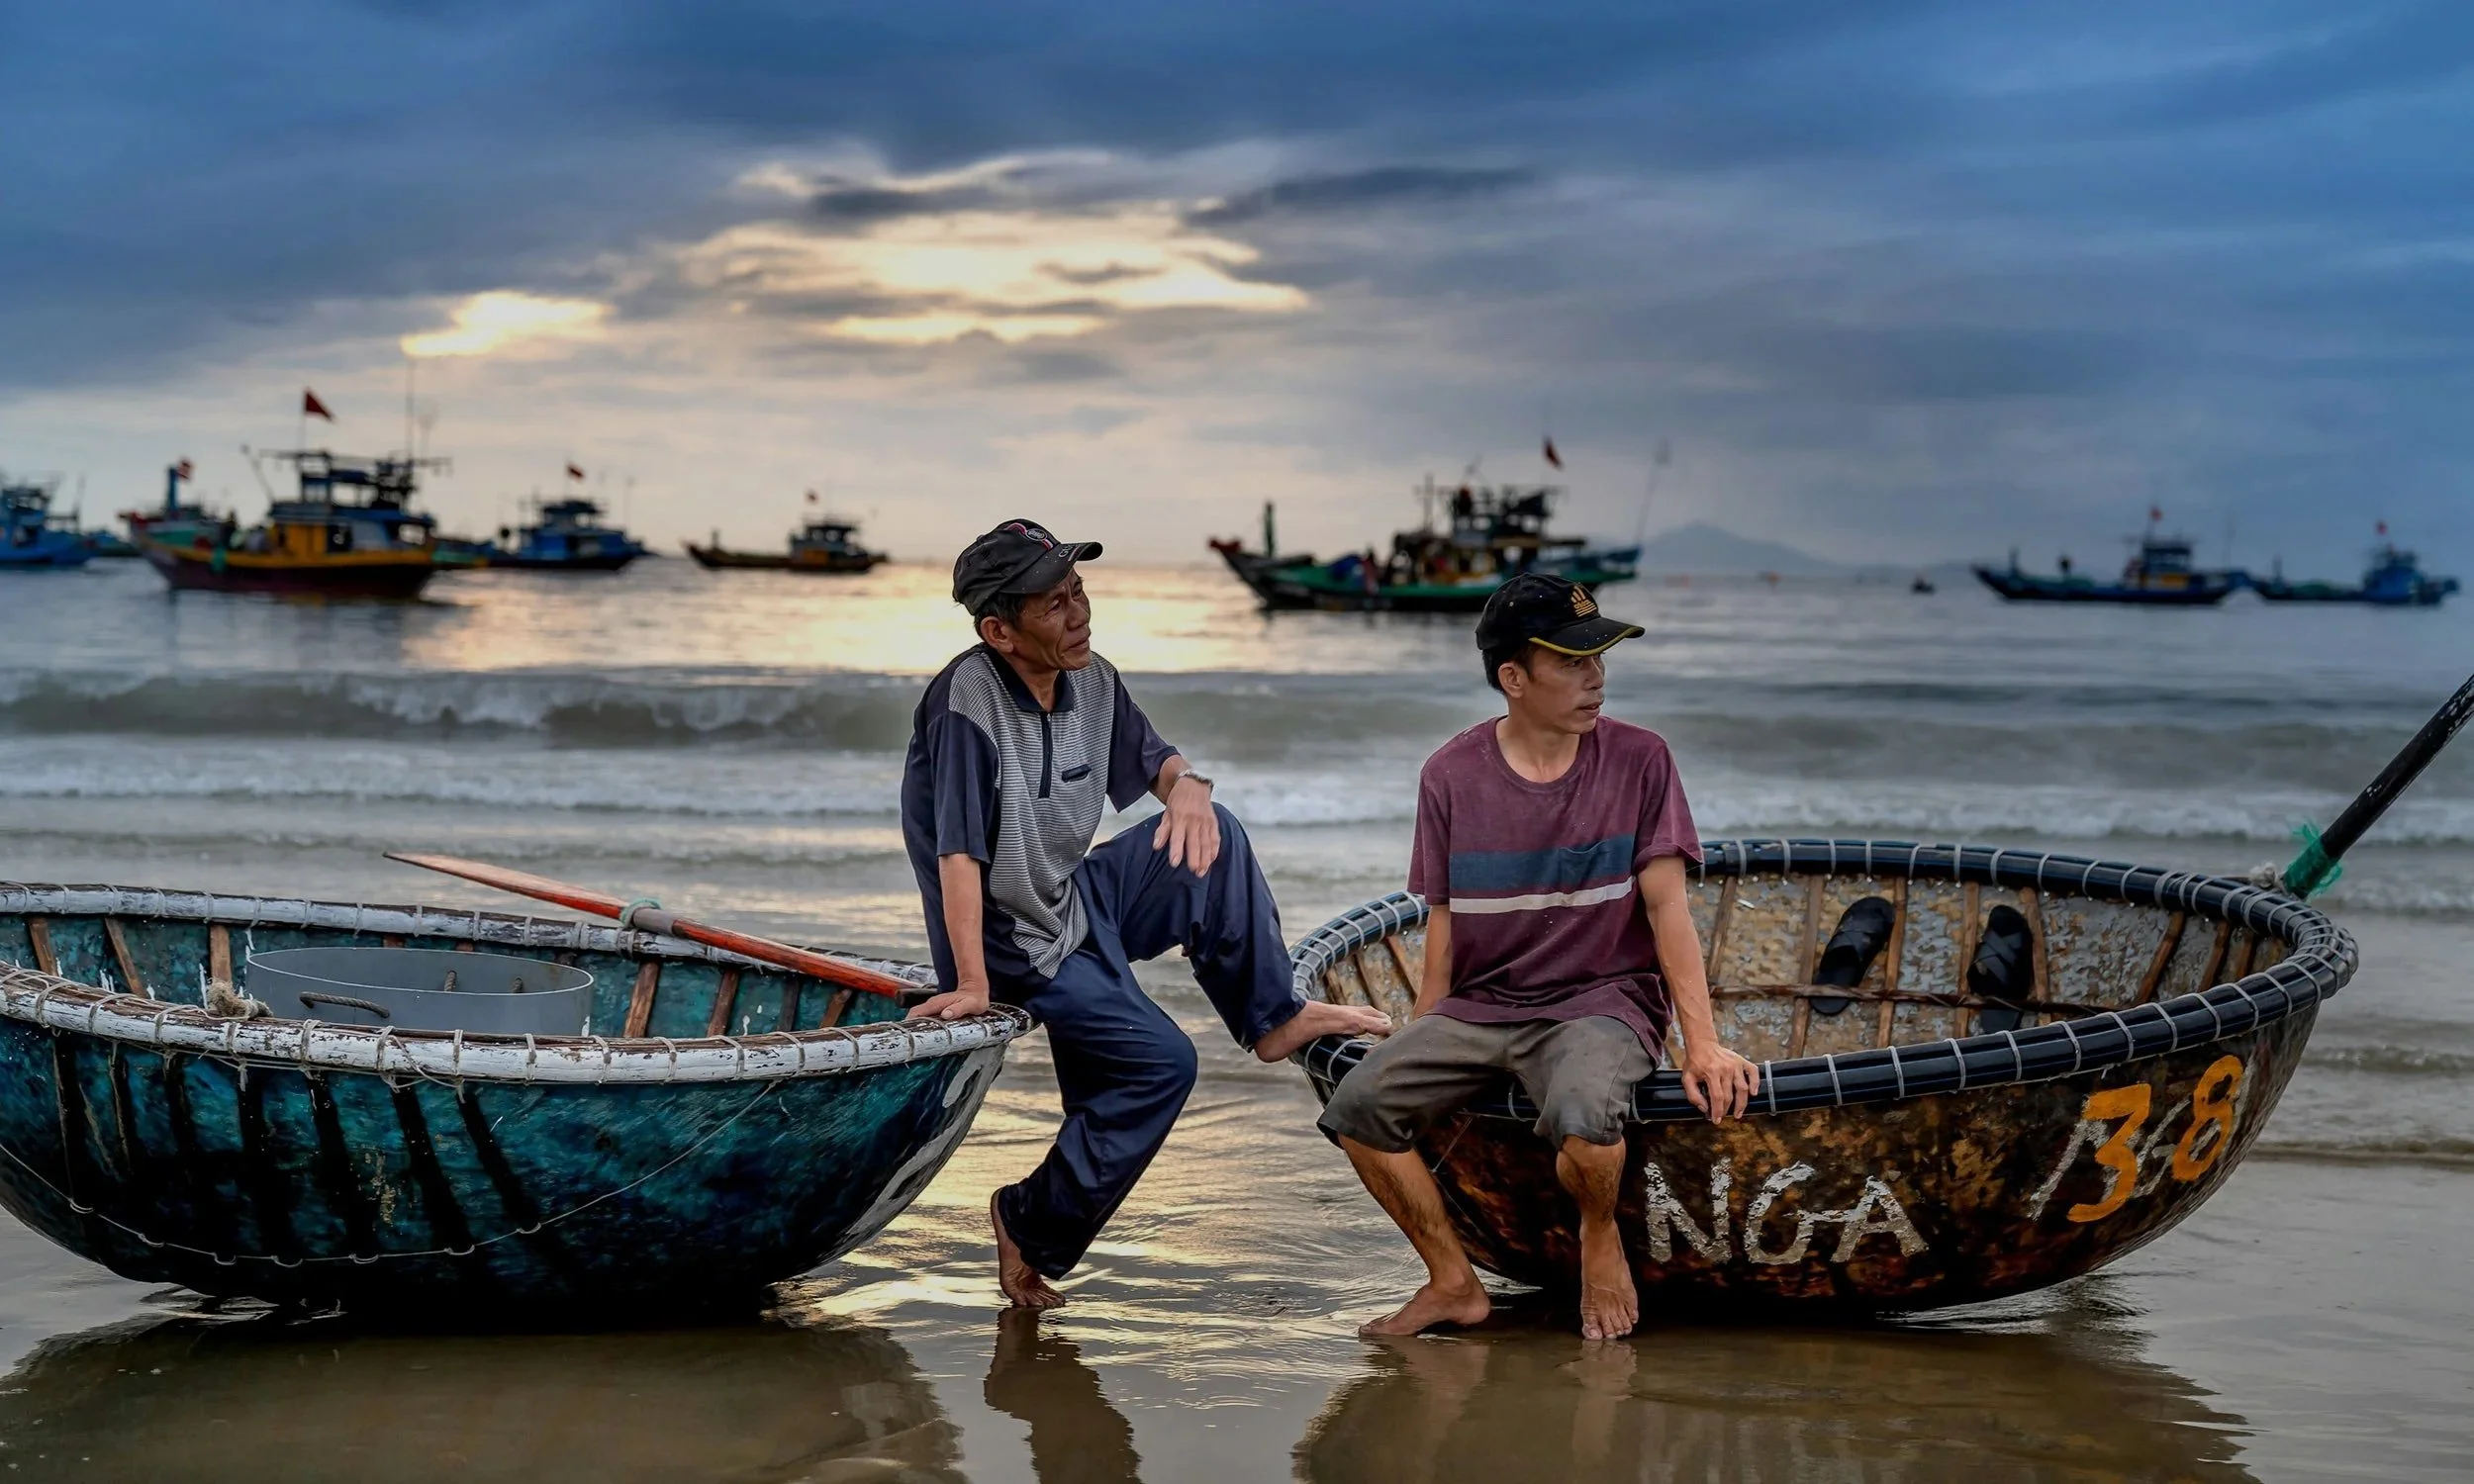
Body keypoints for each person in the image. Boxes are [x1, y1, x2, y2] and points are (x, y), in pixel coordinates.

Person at [904, 518, 1390, 1309]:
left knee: (1215, 836)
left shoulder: (1093, 680)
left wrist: (1190, 788)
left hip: (1078, 897)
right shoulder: (965, 701)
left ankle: (1272, 1015)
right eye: (1054, 603)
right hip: (1013, 939)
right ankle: (1026, 1220)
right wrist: (970, 981)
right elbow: (957, 856)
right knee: (1161, 1063)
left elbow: (1156, 763)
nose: (1078, 613)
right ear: (999, 630)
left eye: (1079, 591)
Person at [1318, 573, 1761, 1341]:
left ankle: (1598, 1237)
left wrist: (1702, 1040)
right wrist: (1425, 1033)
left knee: (1587, 1123)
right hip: (1483, 1005)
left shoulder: (1641, 760)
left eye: (1601, 659)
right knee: (1358, 1109)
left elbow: (1667, 908)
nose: (1597, 678)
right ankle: (1452, 1282)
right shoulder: (1449, 775)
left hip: (1603, 1001)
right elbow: (1445, 921)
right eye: (1573, 662)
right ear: (1513, 679)